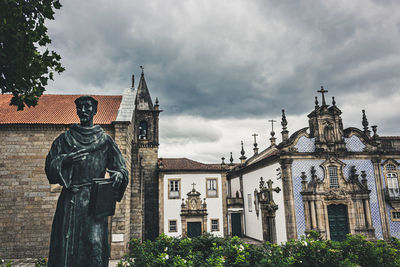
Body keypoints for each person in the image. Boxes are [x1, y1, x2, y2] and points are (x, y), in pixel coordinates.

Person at [45, 96, 128, 267]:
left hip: (94, 201)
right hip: (70, 200)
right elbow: (50, 168)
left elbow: (121, 168)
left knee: (94, 242)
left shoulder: (105, 141)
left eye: (87, 107)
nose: (83, 111)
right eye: (80, 107)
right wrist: (65, 161)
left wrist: (119, 176)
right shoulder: (65, 139)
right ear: (76, 110)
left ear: (95, 110)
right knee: (66, 246)